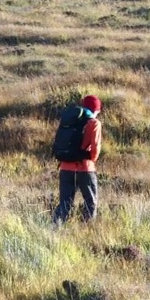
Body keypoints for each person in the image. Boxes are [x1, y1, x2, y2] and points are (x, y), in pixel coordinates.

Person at [53, 94, 102, 225]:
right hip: (85, 168)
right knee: (90, 202)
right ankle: (88, 231)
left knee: (65, 202)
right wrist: (90, 160)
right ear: (96, 109)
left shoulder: (69, 120)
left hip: (65, 167)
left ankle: (54, 228)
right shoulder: (94, 122)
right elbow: (95, 148)